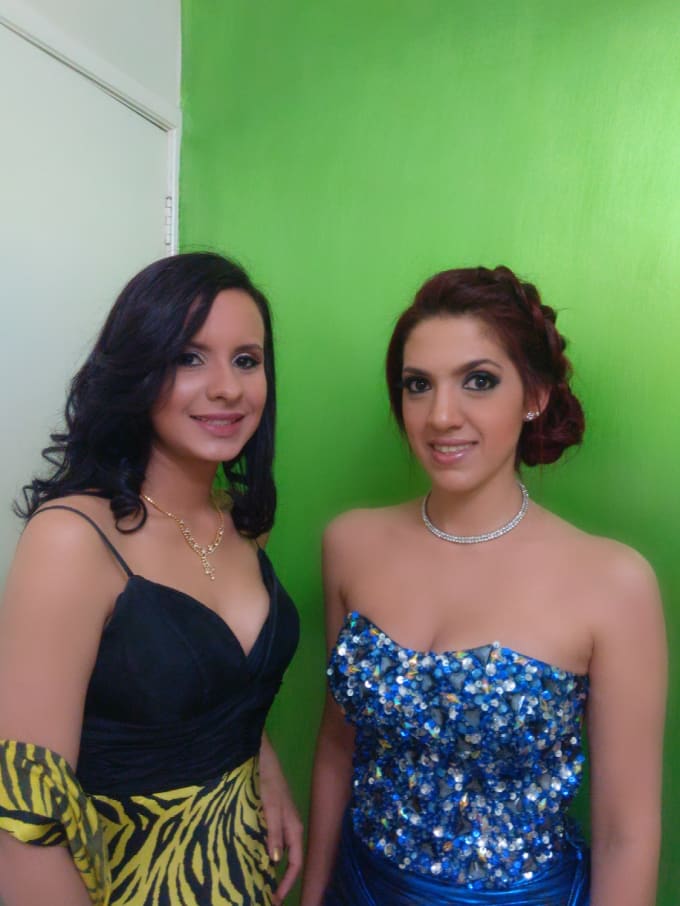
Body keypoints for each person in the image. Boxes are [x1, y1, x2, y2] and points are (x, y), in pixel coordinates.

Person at [301, 266, 666, 906]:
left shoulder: (613, 583)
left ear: (535, 395)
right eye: (418, 385)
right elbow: (337, 746)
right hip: (359, 887)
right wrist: (314, 893)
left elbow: (624, 834)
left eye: (479, 380)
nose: (442, 416)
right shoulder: (350, 544)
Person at [0, 252, 302, 906]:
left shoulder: (241, 522)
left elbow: (221, 689)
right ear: (137, 370)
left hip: (244, 872)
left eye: (246, 360)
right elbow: (23, 824)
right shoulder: (72, 541)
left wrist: (264, 767)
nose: (227, 388)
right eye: (189, 358)